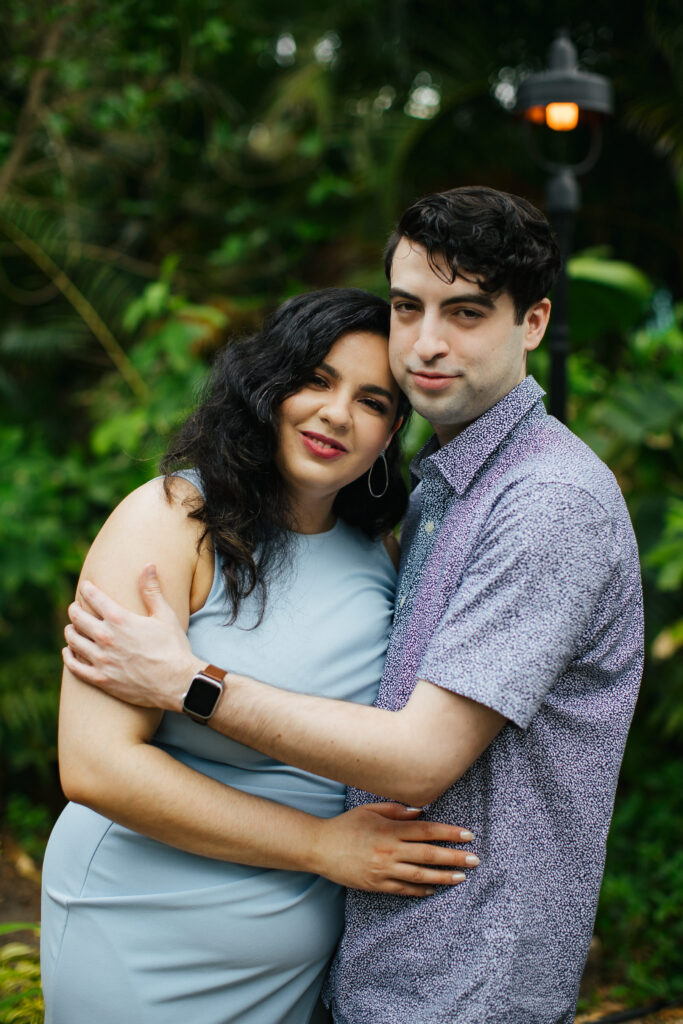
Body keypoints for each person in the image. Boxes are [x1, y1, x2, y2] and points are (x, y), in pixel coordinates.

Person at [64, 186, 644, 1024]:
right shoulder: (428, 502)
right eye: (409, 307)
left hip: (463, 977)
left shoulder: (544, 501)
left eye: (468, 312)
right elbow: (93, 762)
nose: (429, 343)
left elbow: (417, 758)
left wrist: (190, 682)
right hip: (323, 960)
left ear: (534, 323)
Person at [42, 287, 479, 1024]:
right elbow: (93, 766)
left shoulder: (377, 552)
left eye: (371, 401)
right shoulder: (171, 518)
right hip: (138, 931)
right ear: (268, 387)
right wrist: (321, 848)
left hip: (295, 968)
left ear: (391, 431)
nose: (337, 413)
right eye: (315, 380)